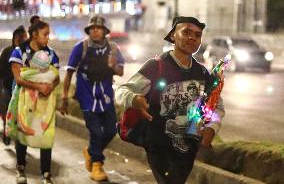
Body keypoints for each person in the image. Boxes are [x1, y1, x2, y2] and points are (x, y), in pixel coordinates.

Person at [115, 16, 225, 184]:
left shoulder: (202, 73)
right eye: (186, 32)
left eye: (197, 35)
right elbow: (123, 90)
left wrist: (212, 127)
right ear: (173, 35)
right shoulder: (156, 66)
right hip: (157, 143)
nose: (192, 38)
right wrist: (134, 99)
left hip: (188, 146)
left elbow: (215, 104)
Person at [59, 15, 124, 181]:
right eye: (92, 28)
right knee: (95, 131)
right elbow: (69, 74)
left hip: (106, 97)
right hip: (86, 96)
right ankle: (97, 165)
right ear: (88, 31)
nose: (95, 31)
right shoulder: (80, 48)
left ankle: (91, 152)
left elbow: (121, 71)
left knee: (110, 130)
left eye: (98, 28)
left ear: (104, 31)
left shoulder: (114, 49)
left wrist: (113, 65)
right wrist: (64, 97)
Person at [9, 20, 59, 184]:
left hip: (45, 102)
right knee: (23, 133)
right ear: (35, 34)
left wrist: (50, 86)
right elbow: (19, 78)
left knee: (46, 134)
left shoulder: (51, 54)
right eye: (45, 34)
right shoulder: (19, 52)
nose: (48, 38)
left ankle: (46, 173)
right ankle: (21, 168)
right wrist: (38, 85)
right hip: (24, 100)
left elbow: (56, 76)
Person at [0, 25, 28, 145]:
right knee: (8, 113)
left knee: (21, 117)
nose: (21, 41)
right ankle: (7, 133)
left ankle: (19, 144)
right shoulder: (7, 52)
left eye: (23, 38)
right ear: (14, 39)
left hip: (23, 91)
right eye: (19, 39)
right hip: (7, 89)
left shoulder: (28, 53)